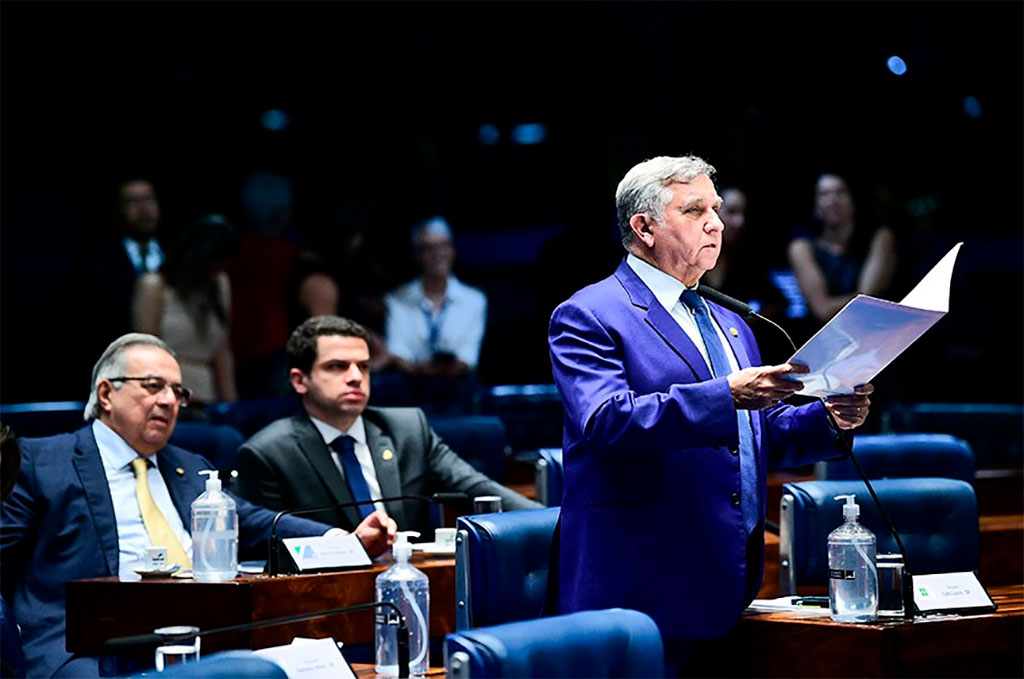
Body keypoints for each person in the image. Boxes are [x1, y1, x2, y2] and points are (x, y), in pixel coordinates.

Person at [547, 156, 874, 668]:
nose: (716, 222)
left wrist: (830, 416)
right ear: (644, 227)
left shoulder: (730, 319)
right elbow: (607, 422)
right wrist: (728, 395)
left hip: (727, 578)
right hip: (637, 584)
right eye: (695, 209)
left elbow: (754, 435)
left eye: (716, 208)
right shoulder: (589, 314)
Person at [0, 334, 395, 679]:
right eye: (154, 386)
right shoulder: (42, 461)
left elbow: (255, 522)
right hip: (87, 646)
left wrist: (342, 539)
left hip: (204, 633)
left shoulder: (190, 466)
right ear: (106, 394)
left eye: (178, 391)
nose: (170, 401)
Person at [235, 315, 541, 535]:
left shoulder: (408, 429)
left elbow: (477, 489)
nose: (355, 377)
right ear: (299, 381)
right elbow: (268, 546)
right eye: (337, 366)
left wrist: (553, 523)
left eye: (364, 367)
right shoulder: (268, 453)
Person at [133, 214, 239, 407]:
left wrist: (232, 406)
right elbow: (145, 353)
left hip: (208, 397)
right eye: (211, 266)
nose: (214, 273)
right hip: (167, 398)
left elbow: (222, 351)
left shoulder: (219, 283)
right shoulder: (154, 286)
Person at [383, 216, 487, 380]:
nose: (437, 254)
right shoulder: (396, 300)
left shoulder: (474, 300)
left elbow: (469, 354)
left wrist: (454, 366)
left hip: (458, 388)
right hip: (412, 386)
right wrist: (416, 369)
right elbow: (397, 350)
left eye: (443, 246)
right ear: (417, 255)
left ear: (452, 251)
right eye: (428, 248)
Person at [787, 173, 897, 324]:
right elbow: (822, 309)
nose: (833, 201)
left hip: (874, 327)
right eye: (824, 194)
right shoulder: (801, 248)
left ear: (853, 200)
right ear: (815, 205)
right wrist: (856, 298)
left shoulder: (879, 238)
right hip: (826, 337)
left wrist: (852, 300)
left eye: (840, 192)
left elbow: (868, 299)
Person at [88, 178, 167, 360]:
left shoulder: (176, 255)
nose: (143, 208)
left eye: (149, 199)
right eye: (132, 201)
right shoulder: (99, 263)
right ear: (119, 210)